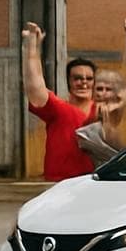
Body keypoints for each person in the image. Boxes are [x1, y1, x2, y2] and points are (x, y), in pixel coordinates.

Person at [21, 22, 98, 181]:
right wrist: (31, 50)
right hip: (58, 184)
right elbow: (35, 87)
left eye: (88, 78)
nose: (83, 82)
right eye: (77, 78)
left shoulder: (105, 110)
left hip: (92, 183)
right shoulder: (60, 109)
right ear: (68, 81)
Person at [75, 69, 126, 166]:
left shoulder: (119, 110)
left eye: (108, 89)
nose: (102, 93)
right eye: (99, 89)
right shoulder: (87, 108)